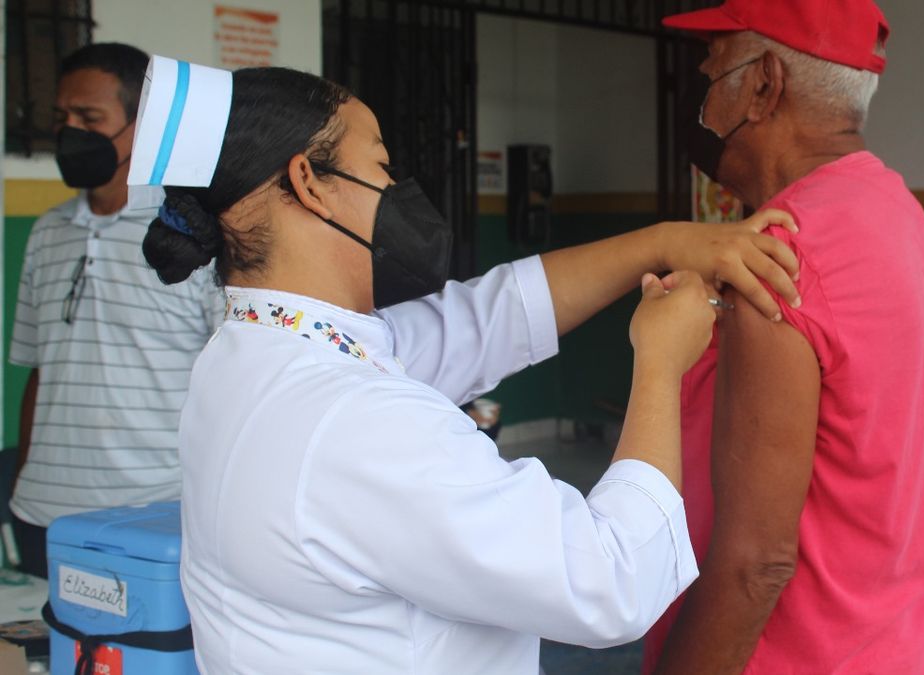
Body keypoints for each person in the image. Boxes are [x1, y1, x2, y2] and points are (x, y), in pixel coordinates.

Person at [128, 55, 802, 673]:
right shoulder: (355, 422)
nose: (397, 187)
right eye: (382, 165)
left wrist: (664, 242)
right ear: (311, 181)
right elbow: (611, 581)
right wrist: (658, 361)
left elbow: (486, 319)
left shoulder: (250, 354)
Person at [643, 1, 924, 673]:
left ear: (764, 84)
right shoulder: (909, 226)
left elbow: (755, 566)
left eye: (714, 62)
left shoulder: (780, 256)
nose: (701, 80)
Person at [7, 43, 223, 579]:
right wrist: (23, 478)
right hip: (42, 513)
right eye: (62, 118)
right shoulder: (46, 232)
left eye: (90, 118)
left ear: (141, 126)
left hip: (152, 520)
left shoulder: (191, 238)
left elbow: (231, 381)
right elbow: (41, 370)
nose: (70, 131)